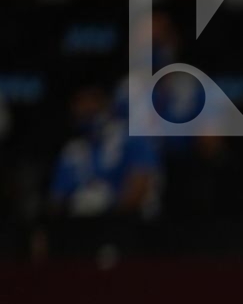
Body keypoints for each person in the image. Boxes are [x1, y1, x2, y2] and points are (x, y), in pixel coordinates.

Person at [48, 86, 161, 218]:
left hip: (125, 223)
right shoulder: (72, 150)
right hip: (77, 226)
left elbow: (140, 184)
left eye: (90, 101)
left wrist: (108, 214)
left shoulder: (131, 137)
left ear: (105, 104)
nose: (83, 108)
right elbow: (56, 199)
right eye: (78, 102)